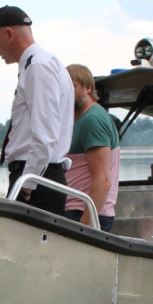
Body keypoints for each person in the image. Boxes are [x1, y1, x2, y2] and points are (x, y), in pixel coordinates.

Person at [0, 6, 73, 215]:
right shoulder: (41, 63)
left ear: (9, 34)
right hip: (39, 175)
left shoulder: (38, 66)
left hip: (37, 180)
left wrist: (28, 183)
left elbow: (45, 134)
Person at [62, 64, 119, 232]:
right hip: (74, 209)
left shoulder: (92, 119)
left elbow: (104, 180)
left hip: (83, 212)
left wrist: (85, 226)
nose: (66, 92)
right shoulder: (77, 120)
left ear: (88, 88)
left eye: (72, 86)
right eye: (63, 87)